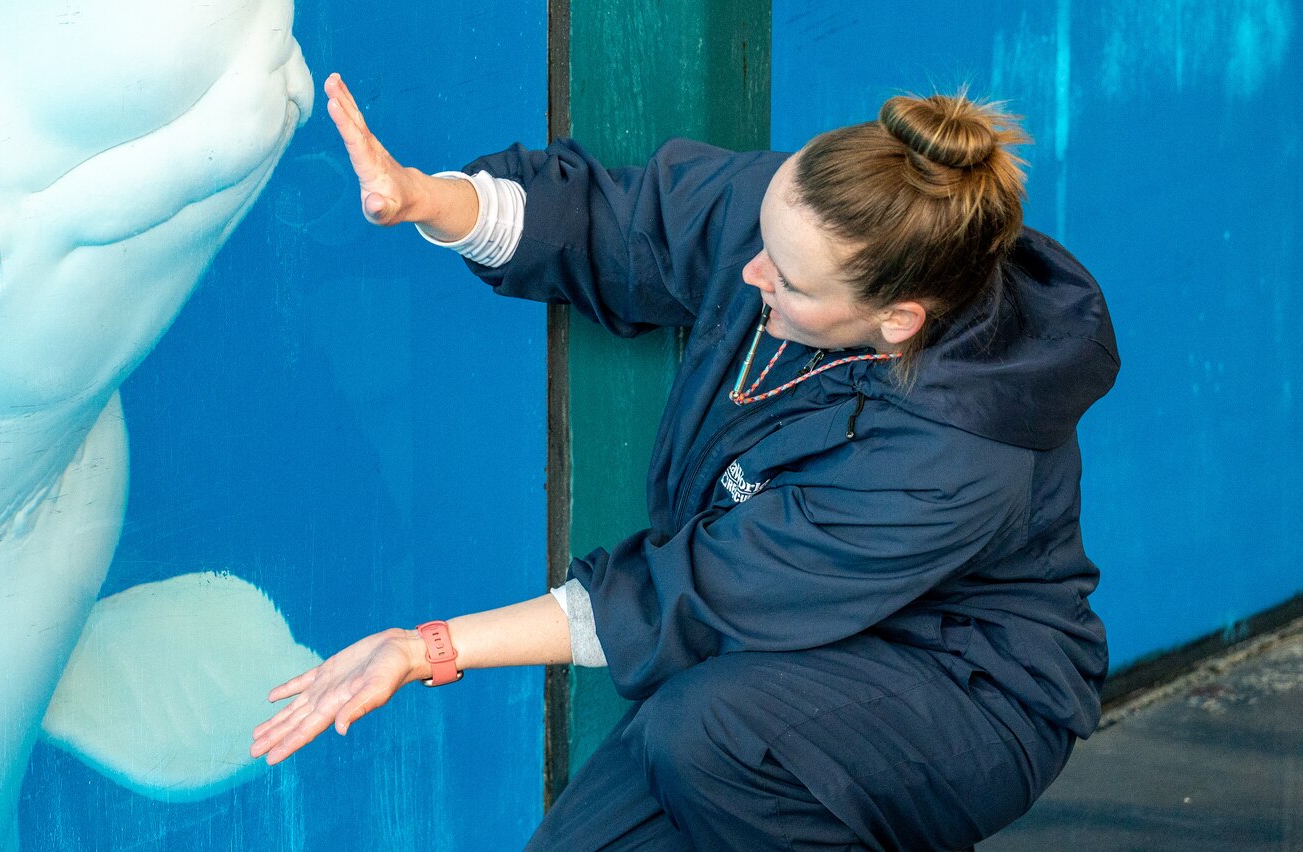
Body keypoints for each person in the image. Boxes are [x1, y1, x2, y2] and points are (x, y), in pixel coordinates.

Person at [249, 73, 1119, 851]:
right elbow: (624, 224)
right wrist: (432, 201)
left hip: (960, 690)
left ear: (899, 320)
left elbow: (695, 595)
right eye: (765, 241)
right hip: (782, 655)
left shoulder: (955, 452)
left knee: (704, 735)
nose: (749, 273)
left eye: (788, 279)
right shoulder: (806, 225)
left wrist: (422, 647)